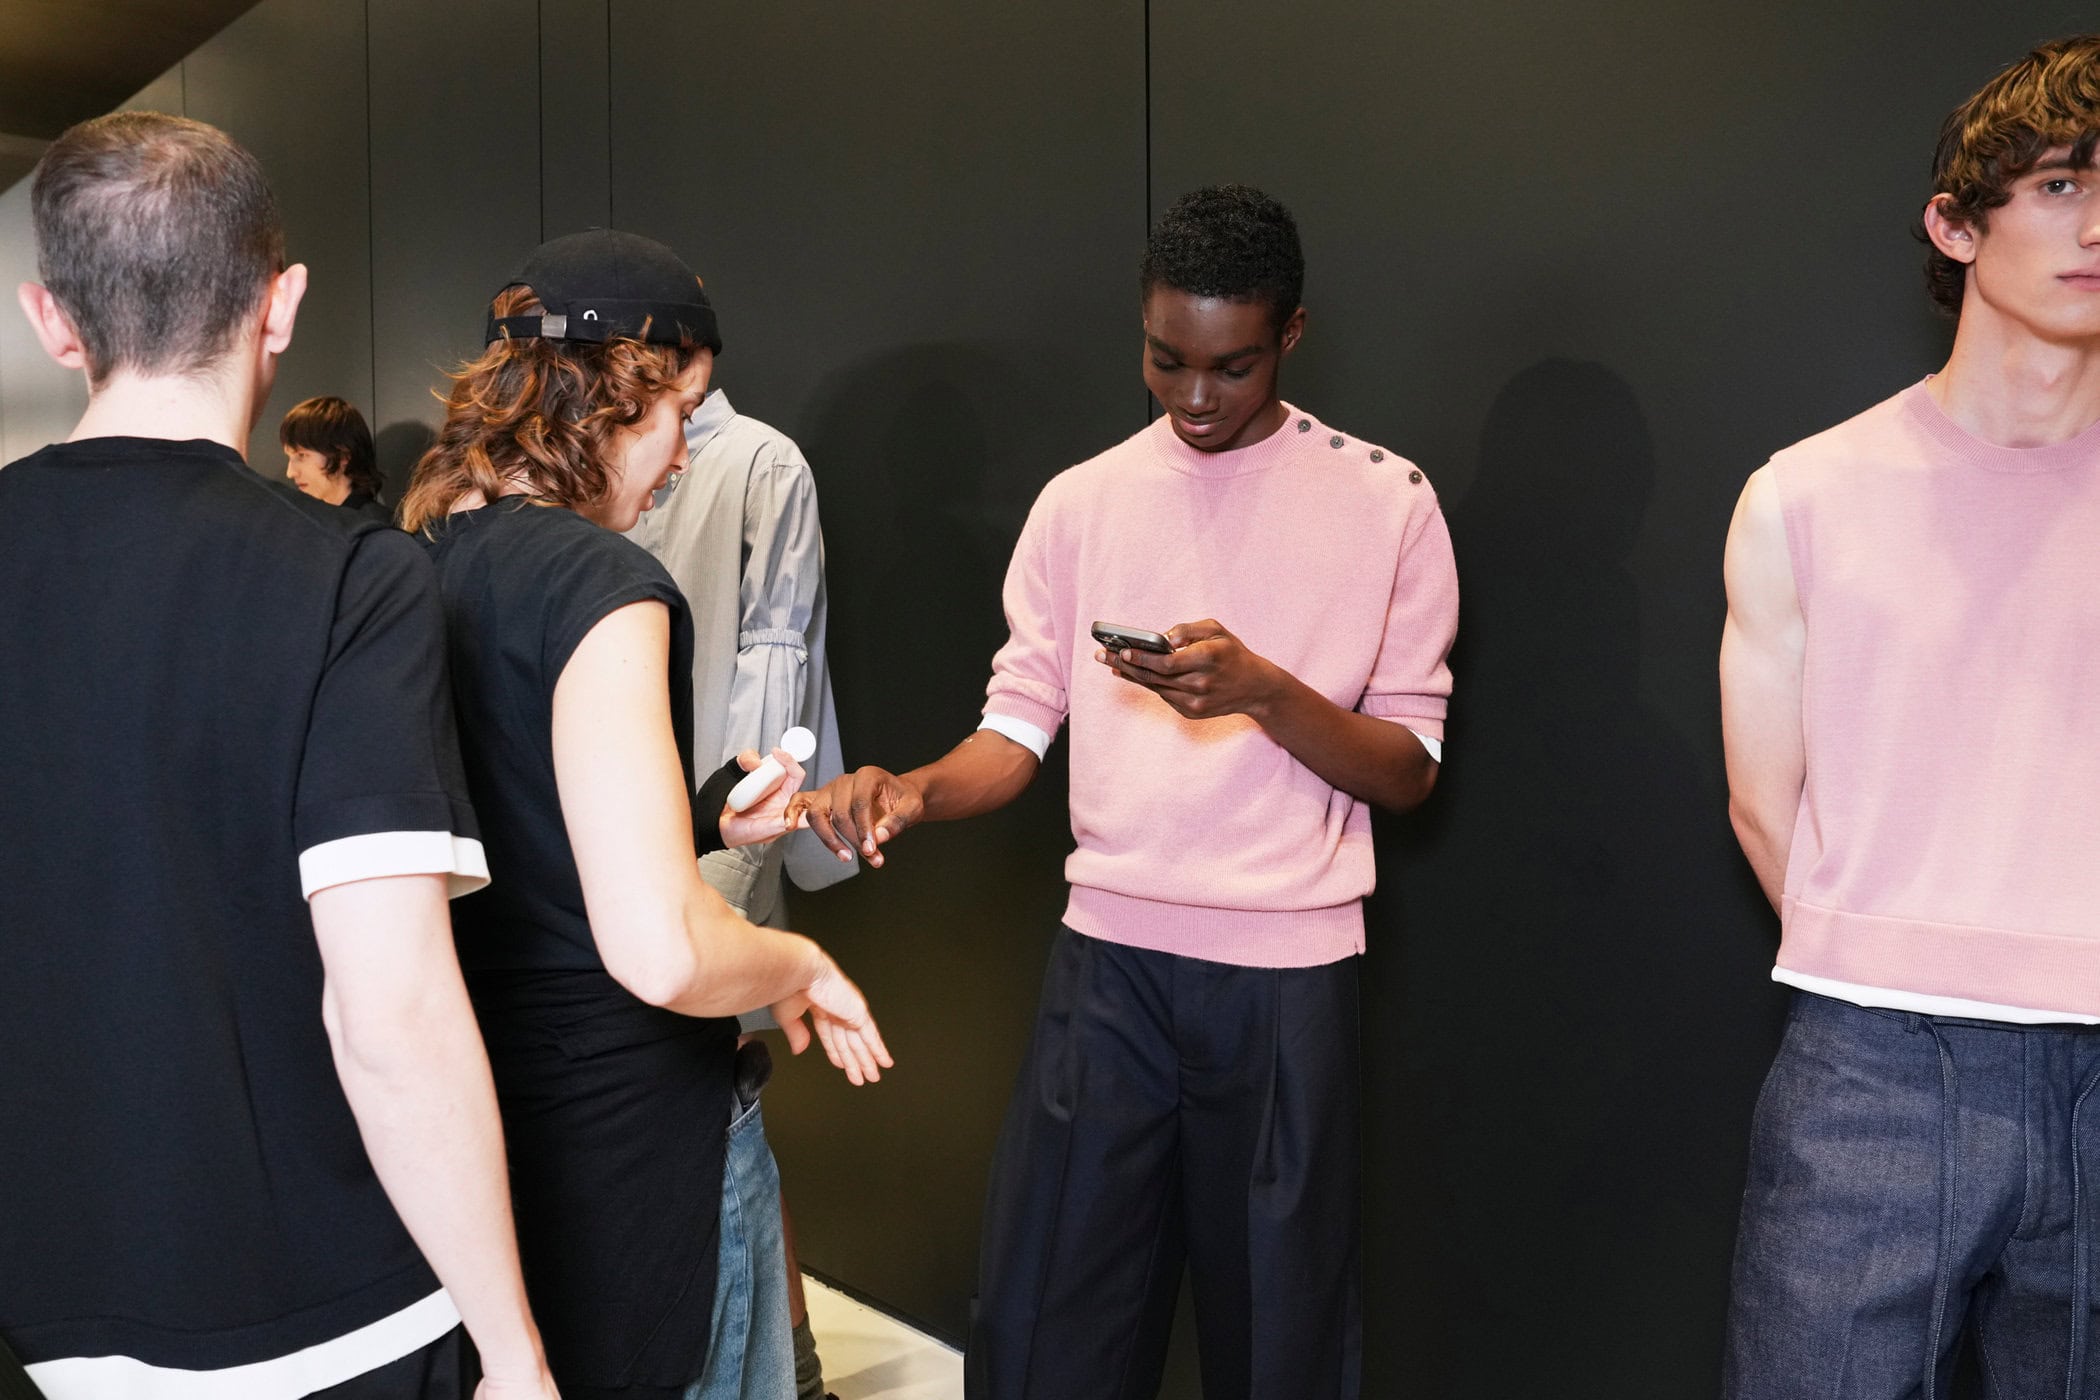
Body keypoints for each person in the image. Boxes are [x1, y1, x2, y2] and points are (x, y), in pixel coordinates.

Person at [797, 185, 1457, 1400]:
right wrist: (910, 791)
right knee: (1052, 1327)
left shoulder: (1388, 502)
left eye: (1232, 366)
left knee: (1281, 1339)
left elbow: (1409, 771)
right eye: (1167, 359)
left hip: (1287, 985)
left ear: (1292, 336)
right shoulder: (1081, 501)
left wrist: (1263, 691)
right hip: (1107, 974)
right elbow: (1015, 730)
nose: (1195, 396)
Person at [0, 113, 556, 1400]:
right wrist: (515, 1350)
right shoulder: (353, 578)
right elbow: (392, 1010)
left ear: (52, 320)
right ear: (282, 301)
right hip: (322, 1323)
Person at [397, 229, 892, 1400]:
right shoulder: (608, 586)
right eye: (679, 408)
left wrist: (712, 817)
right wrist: (797, 956)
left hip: (501, 1137)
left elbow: (513, 818)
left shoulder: (417, 559)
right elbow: (662, 950)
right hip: (642, 1143)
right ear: (607, 394)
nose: (680, 454)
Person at [1719, 34, 2100, 1398]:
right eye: (2061, 185)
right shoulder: (1806, 495)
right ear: (1956, 222)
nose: (2097, 223)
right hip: (1873, 1063)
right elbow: (1764, 801)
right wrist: (1884, 949)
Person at [626, 378, 855, 1400]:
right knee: (722, 1115)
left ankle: (793, 1372)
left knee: (728, 1103)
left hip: (710, 839)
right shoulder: (567, 541)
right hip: (670, 852)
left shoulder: (761, 461)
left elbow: (775, 658)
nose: (671, 455)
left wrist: (730, 853)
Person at [283, 393, 393, 523]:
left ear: (342, 455)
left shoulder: (375, 528)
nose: (290, 473)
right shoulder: (305, 522)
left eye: (302, 455)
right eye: (290, 457)